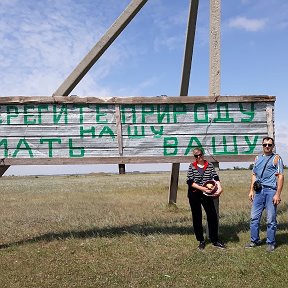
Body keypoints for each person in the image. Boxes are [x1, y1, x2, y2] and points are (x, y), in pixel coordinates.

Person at [245, 136, 284, 252]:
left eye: (269, 145)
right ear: (262, 146)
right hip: (258, 192)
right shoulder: (257, 158)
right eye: (265, 144)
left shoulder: (276, 158)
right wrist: (251, 190)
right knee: (253, 218)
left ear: (273, 146)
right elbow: (254, 175)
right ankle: (254, 240)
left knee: (271, 219)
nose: (267, 146)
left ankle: (271, 242)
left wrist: (278, 194)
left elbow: (281, 176)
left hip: (271, 191)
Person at [186, 147, 225, 250]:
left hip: (207, 194)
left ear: (203, 154)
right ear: (194, 157)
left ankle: (215, 240)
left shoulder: (209, 165)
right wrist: (202, 188)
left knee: (212, 215)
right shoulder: (192, 166)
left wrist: (219, 187)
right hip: (194, 193)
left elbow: (215, 177)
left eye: (200, 155)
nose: (199, 157)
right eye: (196, 156)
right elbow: (190, 182)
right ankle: (201, 240)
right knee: (197, 216)